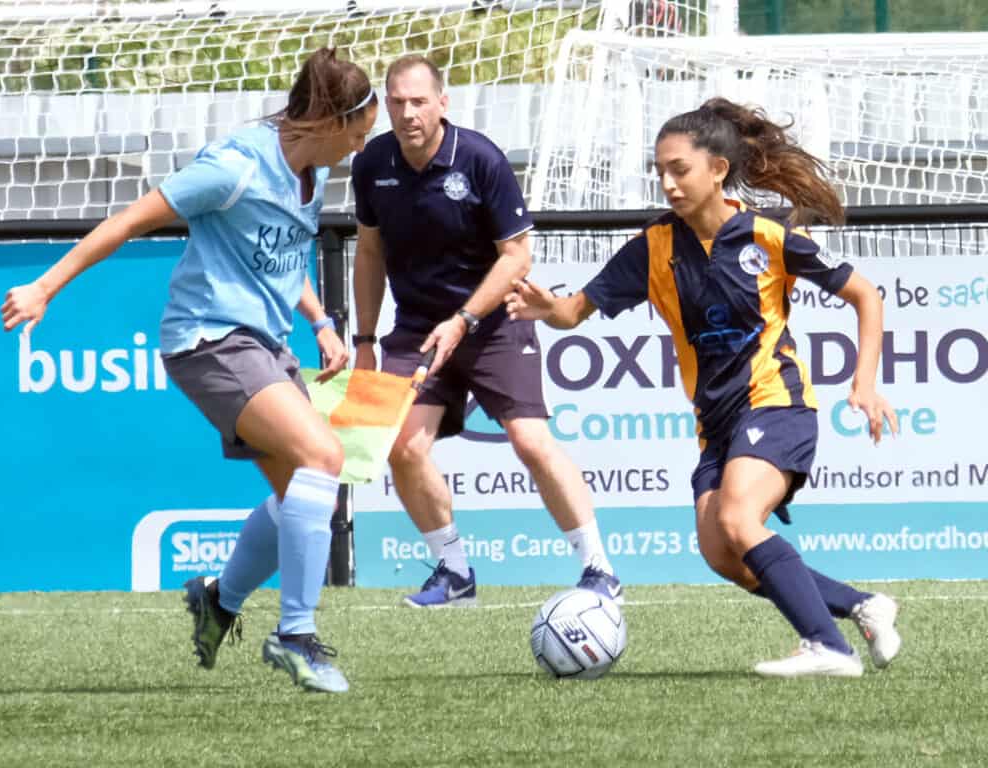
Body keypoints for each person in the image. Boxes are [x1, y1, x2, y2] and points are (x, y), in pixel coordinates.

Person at [0, 48, 378, 694]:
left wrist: (319, 322)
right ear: (324, 119)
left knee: (298, 495)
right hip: (208, 340)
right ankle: (294, 636)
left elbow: (283, 260)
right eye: (358, 132)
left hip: (262, 341)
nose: (360, 146)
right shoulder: (234, 166)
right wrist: (45, 288)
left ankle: (218, 602)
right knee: (324, 455)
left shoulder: (311, 172)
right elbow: (127, 221)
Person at [505, 97, 903, 678]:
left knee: (741, 518)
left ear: (717, 170)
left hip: (778, 402)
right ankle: (862, 606)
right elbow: (574, 312)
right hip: (715, 423)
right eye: (659, 171)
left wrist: (863, 383)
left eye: (679, 169)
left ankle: (829, 647)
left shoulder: (770, 237)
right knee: (724, 554)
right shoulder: (654, 247)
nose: (666, 183)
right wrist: (549, 308)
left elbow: (866, 295)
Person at [351, 54, 622, 608]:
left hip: (496, 321)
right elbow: (370, 251)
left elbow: (517, 256)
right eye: (398, 103)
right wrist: (363, 341)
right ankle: (454, 573)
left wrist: (466, 319)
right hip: (418, 328)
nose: (408, 113)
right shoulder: (371, 162)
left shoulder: (479, 159)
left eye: (419, 101)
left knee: (530, 441)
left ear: (442, 104)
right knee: (402, 446)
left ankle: (599, 569)